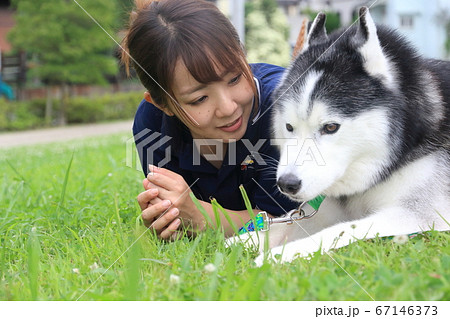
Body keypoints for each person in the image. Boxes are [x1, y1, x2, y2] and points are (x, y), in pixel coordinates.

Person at [122, 0, 298, 241]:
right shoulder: (152, 121)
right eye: (200, 98)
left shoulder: (285, 105)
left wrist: (201, 219)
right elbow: (175, 216)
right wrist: (167, 216)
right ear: (162, 105)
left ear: (243, 55)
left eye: (235, 78)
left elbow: (286, 221)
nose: (227, 108)